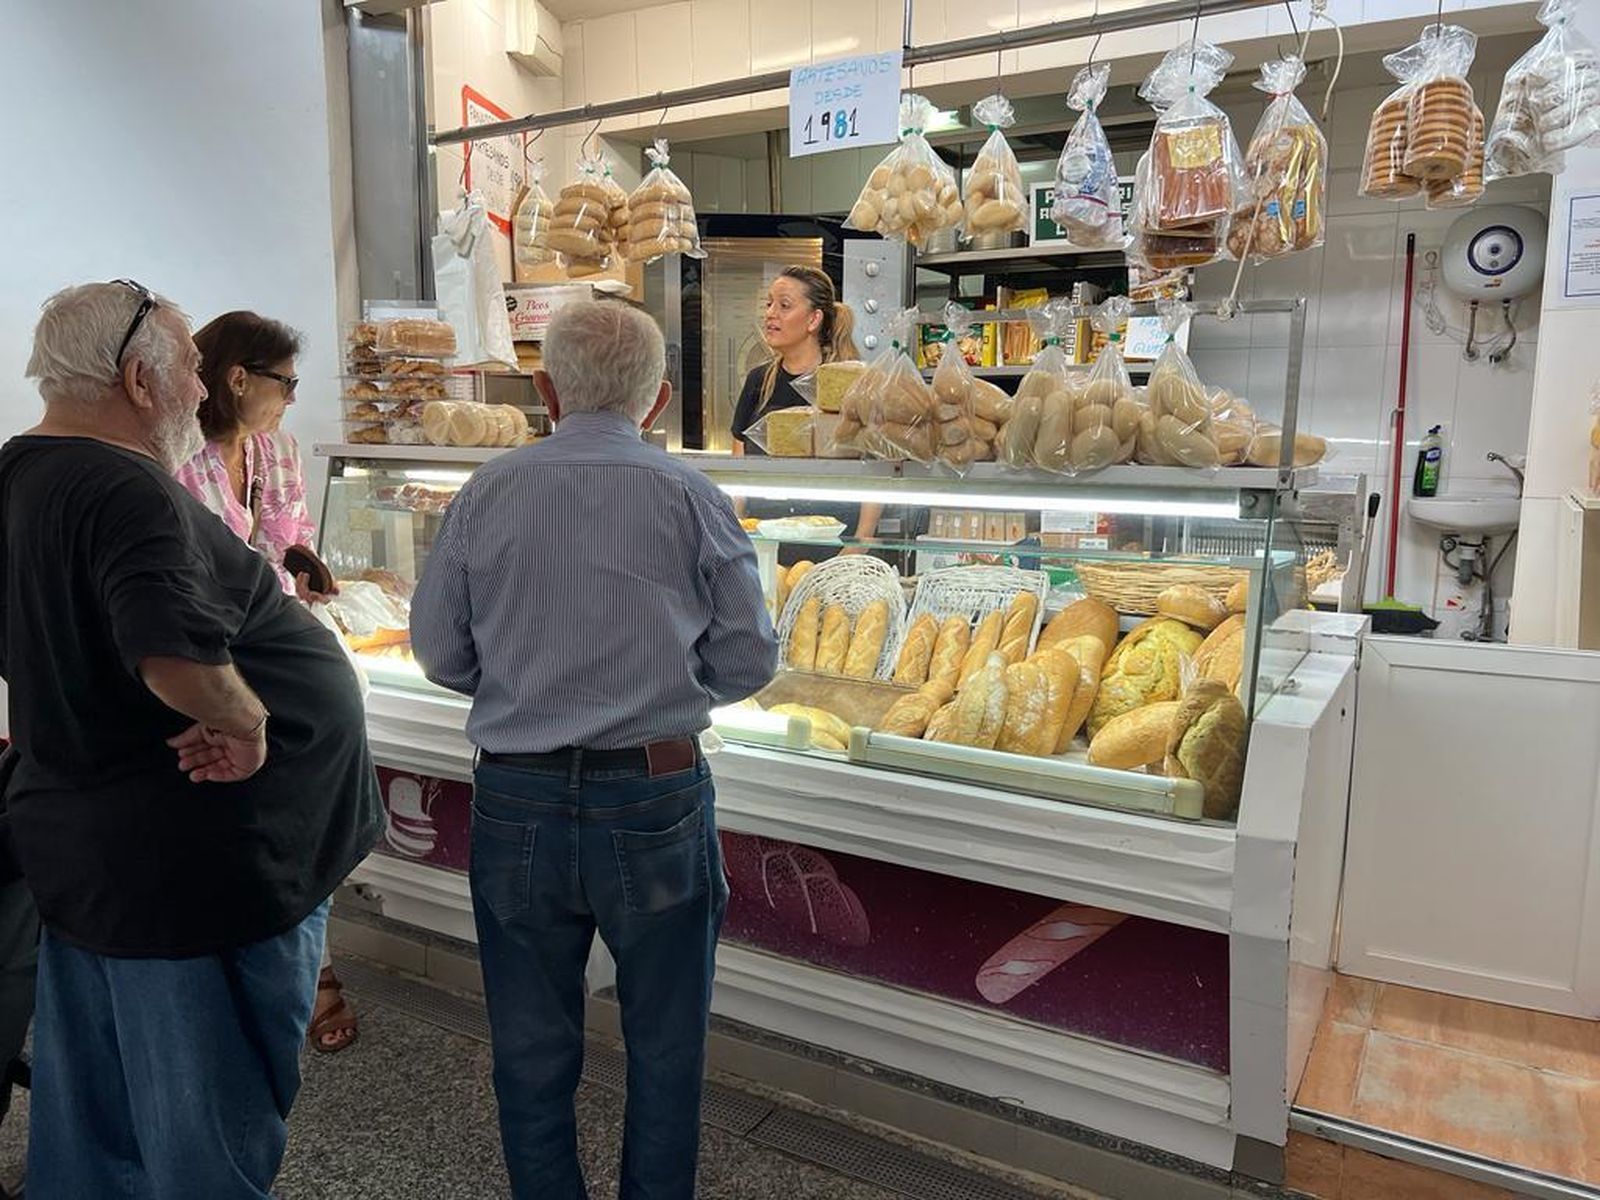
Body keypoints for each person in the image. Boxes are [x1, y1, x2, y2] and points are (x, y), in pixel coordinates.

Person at [0, 281, 382, 1199]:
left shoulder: (22, 469)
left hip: (99, 849)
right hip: (196, 871)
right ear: (139, 378)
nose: (201, 395)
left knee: (99, 1106)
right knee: (201, 1118)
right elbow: (170, 651)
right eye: (187, 373)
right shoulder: (124, 488)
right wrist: (247, 723)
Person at [410, 300, 777, 1200]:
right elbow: (747, 658)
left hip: (516, 798)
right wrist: (663, 695)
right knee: (664, 1042)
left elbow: (439, 653)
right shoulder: (692, 494)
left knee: (531, 1047)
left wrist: (527, 692)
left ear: (544, 389)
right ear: (654, 403)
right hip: (654, 796)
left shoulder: (486, 490)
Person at [173, 310, 359, 1053]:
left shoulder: (276, 448)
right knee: (241, 821)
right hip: (214, 657)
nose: (291, 396)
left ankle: (312, 957)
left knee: (299, 811)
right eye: (284, 381)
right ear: (237, 377)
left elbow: (285, 530)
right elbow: (191, 566)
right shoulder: (179, 456)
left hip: (277, 649)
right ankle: (272, 965)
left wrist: (302, 563)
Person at [730, 265, 882, 544]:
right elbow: (740, 466)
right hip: (766, 538)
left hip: (834, 539)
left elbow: (875, 467)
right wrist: (737, 531)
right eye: (769, 303)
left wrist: (859, 543)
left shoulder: (846, 382)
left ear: (813, 319)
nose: (770, 313)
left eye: (784, 305)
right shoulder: (758, 381)